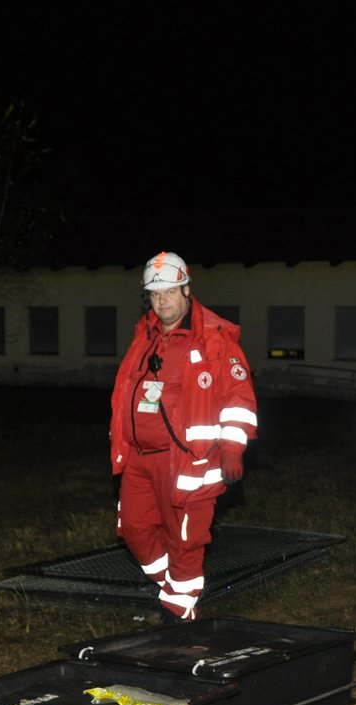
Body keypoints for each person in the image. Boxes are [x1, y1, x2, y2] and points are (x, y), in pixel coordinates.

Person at [110, 252, 257, 621]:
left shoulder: (213, 340)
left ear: (187, 291)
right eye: (155, 294)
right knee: (134, 529)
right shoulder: (144, 334)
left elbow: (238, 398)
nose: (162, 302)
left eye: (170, 292)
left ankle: (180, 618)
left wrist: (233, 448)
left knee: (185, 541)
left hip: (189, 461)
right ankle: (171, 588)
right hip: (140, 458)